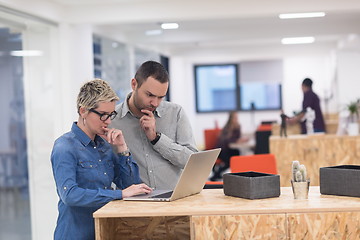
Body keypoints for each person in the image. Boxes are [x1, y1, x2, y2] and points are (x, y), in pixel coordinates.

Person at [51, 79, 152, 240]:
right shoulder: (64, 147)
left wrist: (122, 148)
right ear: (83, 111)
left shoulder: (104, 145)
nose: (108, 121)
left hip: (105, 231)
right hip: (74, 234)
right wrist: (118, 194)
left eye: (111, 115)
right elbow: (70, 195)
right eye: (103, 115)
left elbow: (130, 187)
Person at [111, 60, 197, 190]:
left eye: (161, 97)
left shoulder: (175, 113)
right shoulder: (112, 120)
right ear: (134, 84)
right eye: (149, 95)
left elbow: (192, 162)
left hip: (173, 202)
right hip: (133, 204)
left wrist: (156, 139)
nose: (155, 103)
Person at [210, 111, 243, 181]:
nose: (236, 119)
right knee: (231, 159)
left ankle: (218, 173)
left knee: (237, 153)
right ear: (231, 118)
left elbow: (237, 138)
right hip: (222, 150)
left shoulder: (237, 127)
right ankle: (217, 173)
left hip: (228, 149)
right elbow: (227, 140)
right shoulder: (227, 127)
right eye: (235, 118)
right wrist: (236, 140)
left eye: (237, 117)